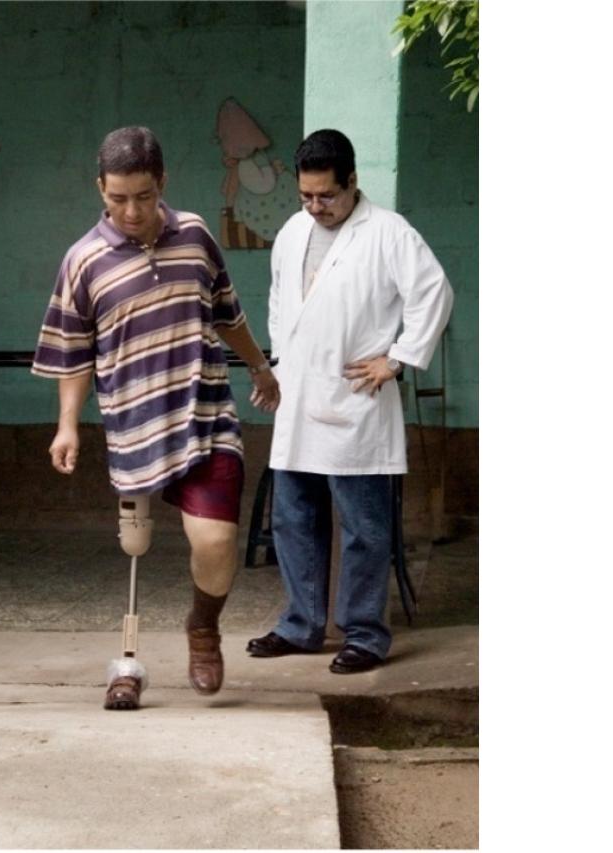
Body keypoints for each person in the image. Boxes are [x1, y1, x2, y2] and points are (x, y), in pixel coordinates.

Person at [32, 126, 280, 709]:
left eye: (142, 196)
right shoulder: (83, 261)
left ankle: (202, 627)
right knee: (135, 546)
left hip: (206, 413)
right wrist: (68, 424)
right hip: (135, 423)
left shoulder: (194, 236)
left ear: (161, 183)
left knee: (216, 540)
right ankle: (138, 652)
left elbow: (229, 313)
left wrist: (260, 368)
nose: (131, 211)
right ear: (101, 188)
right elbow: (73, 352)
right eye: (117, 198)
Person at [247, 129, 453, 674]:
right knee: (293, 520)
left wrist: (399, 357)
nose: (316, 207)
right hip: (298, 396)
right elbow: (279, 301)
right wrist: (276, 364)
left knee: (364, 528)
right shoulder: (293, 231)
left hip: (356, 397)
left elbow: (435, 292)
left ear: (353, 183)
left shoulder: (388, 232)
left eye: (327, 197)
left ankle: (364, 633)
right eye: (306, 196)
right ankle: (300, 625)